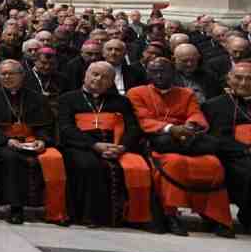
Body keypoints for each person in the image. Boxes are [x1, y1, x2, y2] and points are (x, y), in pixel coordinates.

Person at [130, 57, 233, 236]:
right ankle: (170, 215)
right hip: (159, 141)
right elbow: (143, 119)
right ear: (148, 73)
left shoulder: (186, 93)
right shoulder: (137, 92)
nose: (159, 75)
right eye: (154, 71)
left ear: (173, 73)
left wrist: (190, 126)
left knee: (213, 165)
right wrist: (171, 128)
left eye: (164, 71)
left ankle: (215, 216)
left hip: (187, 139)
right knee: (174, 164)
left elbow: (195, 114)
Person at [56, 61, 156, 230]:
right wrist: (94, 145)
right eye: (95, 74)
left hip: (117, 147)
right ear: (85, 75)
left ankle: (134, 217)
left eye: (105, 77)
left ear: (111, 82)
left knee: (140, 167)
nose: (98, 79)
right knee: (89, 165)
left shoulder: (121, 102)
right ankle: (89, 216)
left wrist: (122, 147)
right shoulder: (67, 99)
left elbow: (133, 128)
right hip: (81, 146)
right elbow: (66, 129)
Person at [0, 59, 62, 226]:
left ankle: (52, 208)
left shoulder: (37, 98)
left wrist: (42, 141)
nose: (7, 77)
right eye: (3, 74)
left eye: (11, 73)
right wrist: (7, 140)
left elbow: (47, 126)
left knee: (53, 159)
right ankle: (16, 208)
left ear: (22, 75)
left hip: (32, 142)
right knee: (11, 158)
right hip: (1, 144)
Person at [200, 61, 251, 236]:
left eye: (249, 79)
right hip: (230, 157)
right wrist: (244, 149)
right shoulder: (213, 105)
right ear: (229, 79)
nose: (244, 83)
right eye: (238, 78)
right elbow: (215, 138)